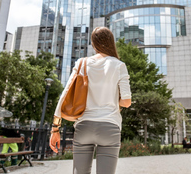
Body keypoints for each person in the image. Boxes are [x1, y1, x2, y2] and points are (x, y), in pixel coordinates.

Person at [50, 27, 132, 174]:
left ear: (94, 45)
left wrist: (55, 128)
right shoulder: (119, 65)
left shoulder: (82, 63)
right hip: (110, 127)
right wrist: (114, 100)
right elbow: (126, 101)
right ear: (111, 43)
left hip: (84, 126)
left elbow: (65, 94)